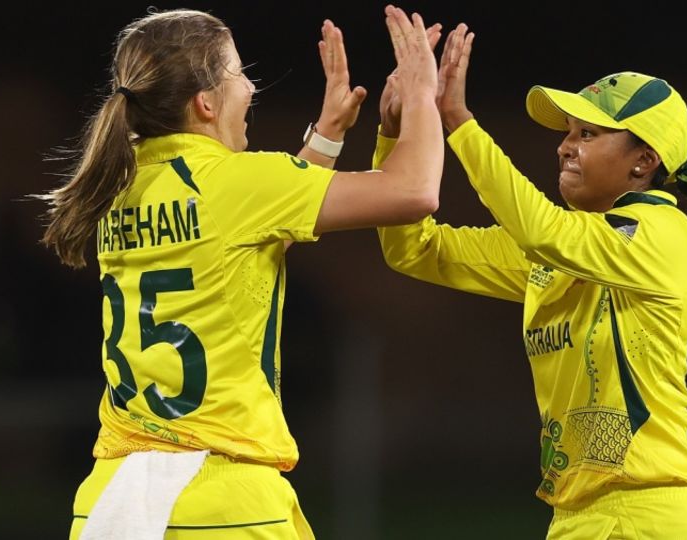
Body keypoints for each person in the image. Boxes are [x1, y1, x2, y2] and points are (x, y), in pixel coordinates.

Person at [37, 6, 442, 539]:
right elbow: (415, 191)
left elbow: (247, 231)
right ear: (205, 103)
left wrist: (324, 138)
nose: (250, 87)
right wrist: (419, 93)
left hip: (112, 501)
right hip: (222, 499)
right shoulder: (235, 185)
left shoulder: (116, 190)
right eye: (237, 73)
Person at [376, 24, 687, 539]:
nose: (565, 148)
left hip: (654, 511)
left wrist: (458, 120)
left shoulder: (664, 233)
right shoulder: (564, 246)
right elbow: (414, 250)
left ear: (643, 163)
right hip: (575, 515)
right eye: (567, 133)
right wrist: (396, 134)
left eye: (588, 134)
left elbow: (542, 230)